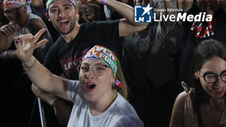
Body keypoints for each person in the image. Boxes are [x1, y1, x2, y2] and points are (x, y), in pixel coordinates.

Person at [36, 0, 147, 126]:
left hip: (116, 106)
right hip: (87, 114)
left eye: (66, 7)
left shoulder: (96, 30)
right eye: (54, 10)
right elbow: (37, 84)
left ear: (76, 10)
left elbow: (143, 20)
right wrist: (56, 102)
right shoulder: (55, 51)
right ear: (48, 16)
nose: (61, 15)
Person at [15, 31, 143, 127]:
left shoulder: (123, 121)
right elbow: (47, 81)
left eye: (100, 68)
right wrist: (28, 60)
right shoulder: (79, 90)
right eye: (85, 68)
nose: (90, 74)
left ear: (113, 78)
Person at [169, 39, 226, 127]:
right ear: (196, 72)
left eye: (225, 74)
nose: (219, 84)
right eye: (211, 76)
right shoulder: (184, 102)